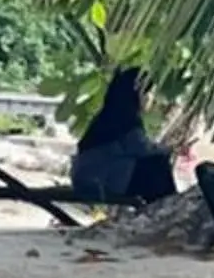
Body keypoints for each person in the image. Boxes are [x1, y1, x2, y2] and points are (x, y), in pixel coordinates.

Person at [70, 65, 177, 205]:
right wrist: (167, 149)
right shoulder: (124, 117)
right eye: (148, 93)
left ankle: (166, 204)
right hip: (99, 179)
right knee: (157, 165)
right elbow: (141, 149)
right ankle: (168, 206)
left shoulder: (112, 113)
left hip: (92, 175)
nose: (150, 98)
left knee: (156, 167)